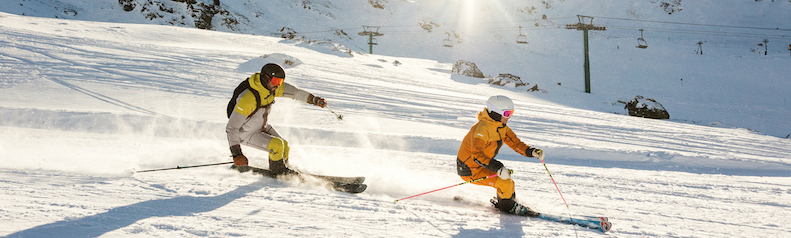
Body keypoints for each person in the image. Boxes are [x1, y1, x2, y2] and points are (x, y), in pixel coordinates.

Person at [226, 63, 327, 175]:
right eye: (275, 82)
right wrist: (237, 154)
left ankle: (285, 168)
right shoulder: (248, 98)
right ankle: (279, 172)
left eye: (280, 82)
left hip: (260, 126)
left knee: (285, 146)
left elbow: (296, 93)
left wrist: (314, 100)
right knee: (277, 145)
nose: (278, 85)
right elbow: (232, 127)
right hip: (245, 133)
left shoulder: (271, 88)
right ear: (265, 78)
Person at [456, 95, 545, 216]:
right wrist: (497, 167)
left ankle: (507, 201)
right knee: (505, 183)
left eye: (511, 113)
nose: (510, 117)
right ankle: (508, 207)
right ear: (496, 113)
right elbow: (476, 155)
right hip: (469, 169)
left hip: (482, 165)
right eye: (507, 113)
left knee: (508, 182)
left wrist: (531, 151)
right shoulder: (482, 129)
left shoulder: (501, 127)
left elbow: (515, 143)